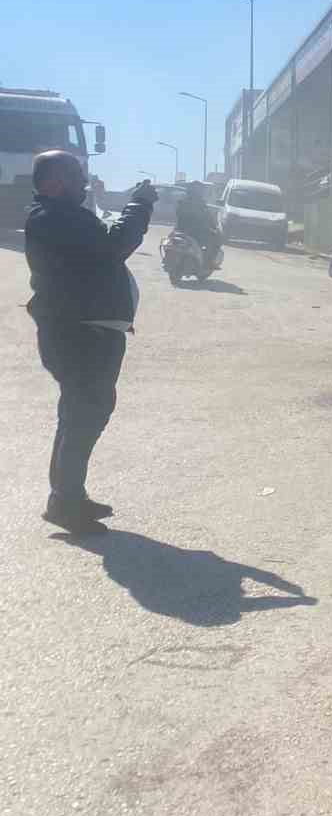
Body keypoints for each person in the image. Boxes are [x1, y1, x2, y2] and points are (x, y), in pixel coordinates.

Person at [25, 152, 156, 532]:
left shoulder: (58, 217)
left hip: (85, 331)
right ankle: (65, 502)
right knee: (84, 413)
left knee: (79, 413)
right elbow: (115, 246)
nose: (84, 182)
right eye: (76, 176)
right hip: (80, 335)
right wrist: (140, 204)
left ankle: (67, 496)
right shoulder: (54, 218)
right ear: (52, 183)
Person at [173, 181, 221, 266]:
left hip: (180, 230)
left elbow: (178, 215)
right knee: (215, 239)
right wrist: (213, 226)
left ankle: (204, 261)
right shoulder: (199, 203)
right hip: (196, 233)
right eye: (200, 190)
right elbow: (207, 217)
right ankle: (208, 262)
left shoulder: (182, 201)